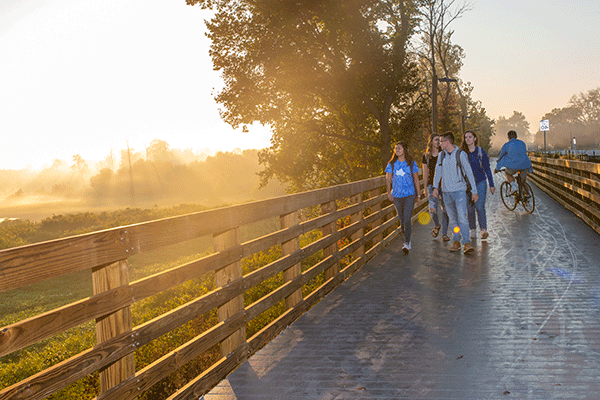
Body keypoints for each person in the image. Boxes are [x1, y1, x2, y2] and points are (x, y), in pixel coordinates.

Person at [432, 131, 478, 255]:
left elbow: (469, 172)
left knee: (462, 217)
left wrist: (474, 191)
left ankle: (467, 242)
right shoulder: (441, 156)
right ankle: (456, 241)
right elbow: (437, 172)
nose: (440, 144)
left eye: (442, 141)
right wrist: (435, 187)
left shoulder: (461, 154)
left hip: (459, 191)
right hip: (446, 193)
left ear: (448, 142)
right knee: (452, 219)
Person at [386, 141, 421, 254]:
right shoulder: (391, 164)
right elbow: (388, 179)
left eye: (399, 148)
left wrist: (419, 195)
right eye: (395, 149)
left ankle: (407, 242)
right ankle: (406, 238)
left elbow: (416, 180)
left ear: (404, 150)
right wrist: (388, 193)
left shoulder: (411, 163)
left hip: (409, 195)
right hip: (397, 196)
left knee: (407, 219)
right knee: (401, 220)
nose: (397, 150)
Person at [460, 130, 495, 240]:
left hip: (480, 182)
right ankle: (473, 229)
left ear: (475, 138)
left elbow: (487, 168)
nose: (468, 139)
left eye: (470, 137)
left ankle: (483, 230)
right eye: (466, 137)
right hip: (467, 185)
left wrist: (491, 184)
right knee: (470, 208)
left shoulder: (480, 151)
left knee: (479, 206)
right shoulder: (462, 153)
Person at [422, 134, 449, 240]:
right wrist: (425, 188)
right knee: (432, 210)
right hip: (431, 185)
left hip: (444, 185)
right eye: (436, 140)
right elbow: (425, 173)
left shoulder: (444, 154)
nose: (438, 142)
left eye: (439, 140)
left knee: (445, 209)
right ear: (431, 142)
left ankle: (445, 234)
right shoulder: (426, 156)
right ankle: (437, 225)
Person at [494, 130, 533, 195]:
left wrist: (497, 168)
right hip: (525, 164)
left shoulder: (506, 145)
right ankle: (526, 196)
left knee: (507, 173)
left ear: (508, 137)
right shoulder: (522, 143)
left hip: (513, 166)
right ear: (516, 136)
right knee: (522, 181)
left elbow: (501, 157)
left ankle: (514, 187)